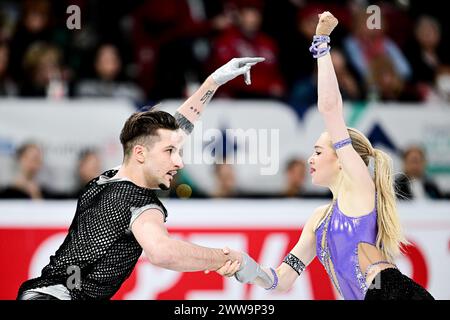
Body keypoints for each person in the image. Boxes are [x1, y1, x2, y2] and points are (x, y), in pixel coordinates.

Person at [215, 12, 434, 300]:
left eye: (318, 151)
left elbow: (330, 109)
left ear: (343, 160)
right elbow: (281, 281)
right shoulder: (319, 220)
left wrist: (321, 43)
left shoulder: (360, 190)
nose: (310, 159)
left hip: (390, 294)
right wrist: (246, 266)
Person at [17, 56, 264, 300]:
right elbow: (163, 252)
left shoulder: (109, 177)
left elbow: (173, 131)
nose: (179, 162)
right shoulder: (140, 203)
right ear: (140, 153)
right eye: (170, 153)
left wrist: (213, 82)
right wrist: (229, 258)